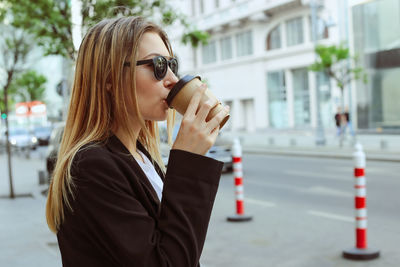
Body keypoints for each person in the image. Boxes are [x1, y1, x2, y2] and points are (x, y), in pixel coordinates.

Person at [45, 16, 230, 267]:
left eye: (172, 64)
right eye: (158, 65)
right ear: (109, 78)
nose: (173, 80)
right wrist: (188, 163)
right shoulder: (90, 167)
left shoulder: (140, 156)